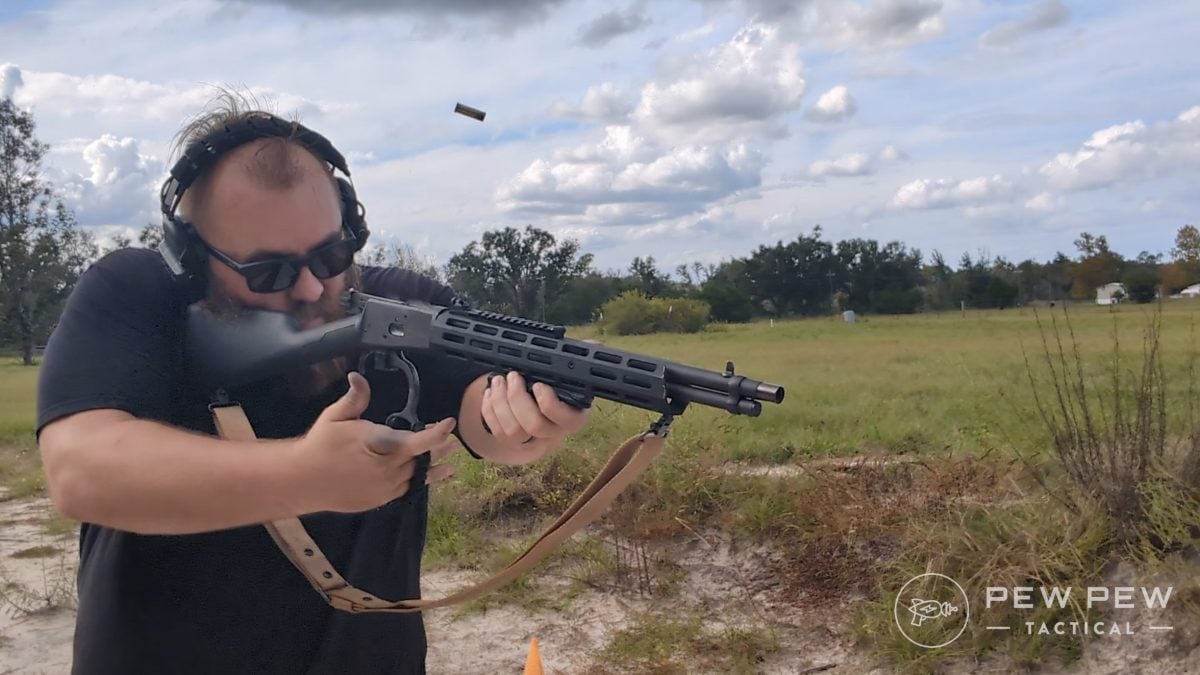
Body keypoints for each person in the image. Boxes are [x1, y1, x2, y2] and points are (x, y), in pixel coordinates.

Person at [35, 95, 590, 674]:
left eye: (330, 254)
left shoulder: (407, 304)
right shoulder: (136, 292)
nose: (307, 288)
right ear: (193, 257)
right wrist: (307, 475)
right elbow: (80, 470)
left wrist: (530, 420)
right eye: (267, 271)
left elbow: (485, 415)